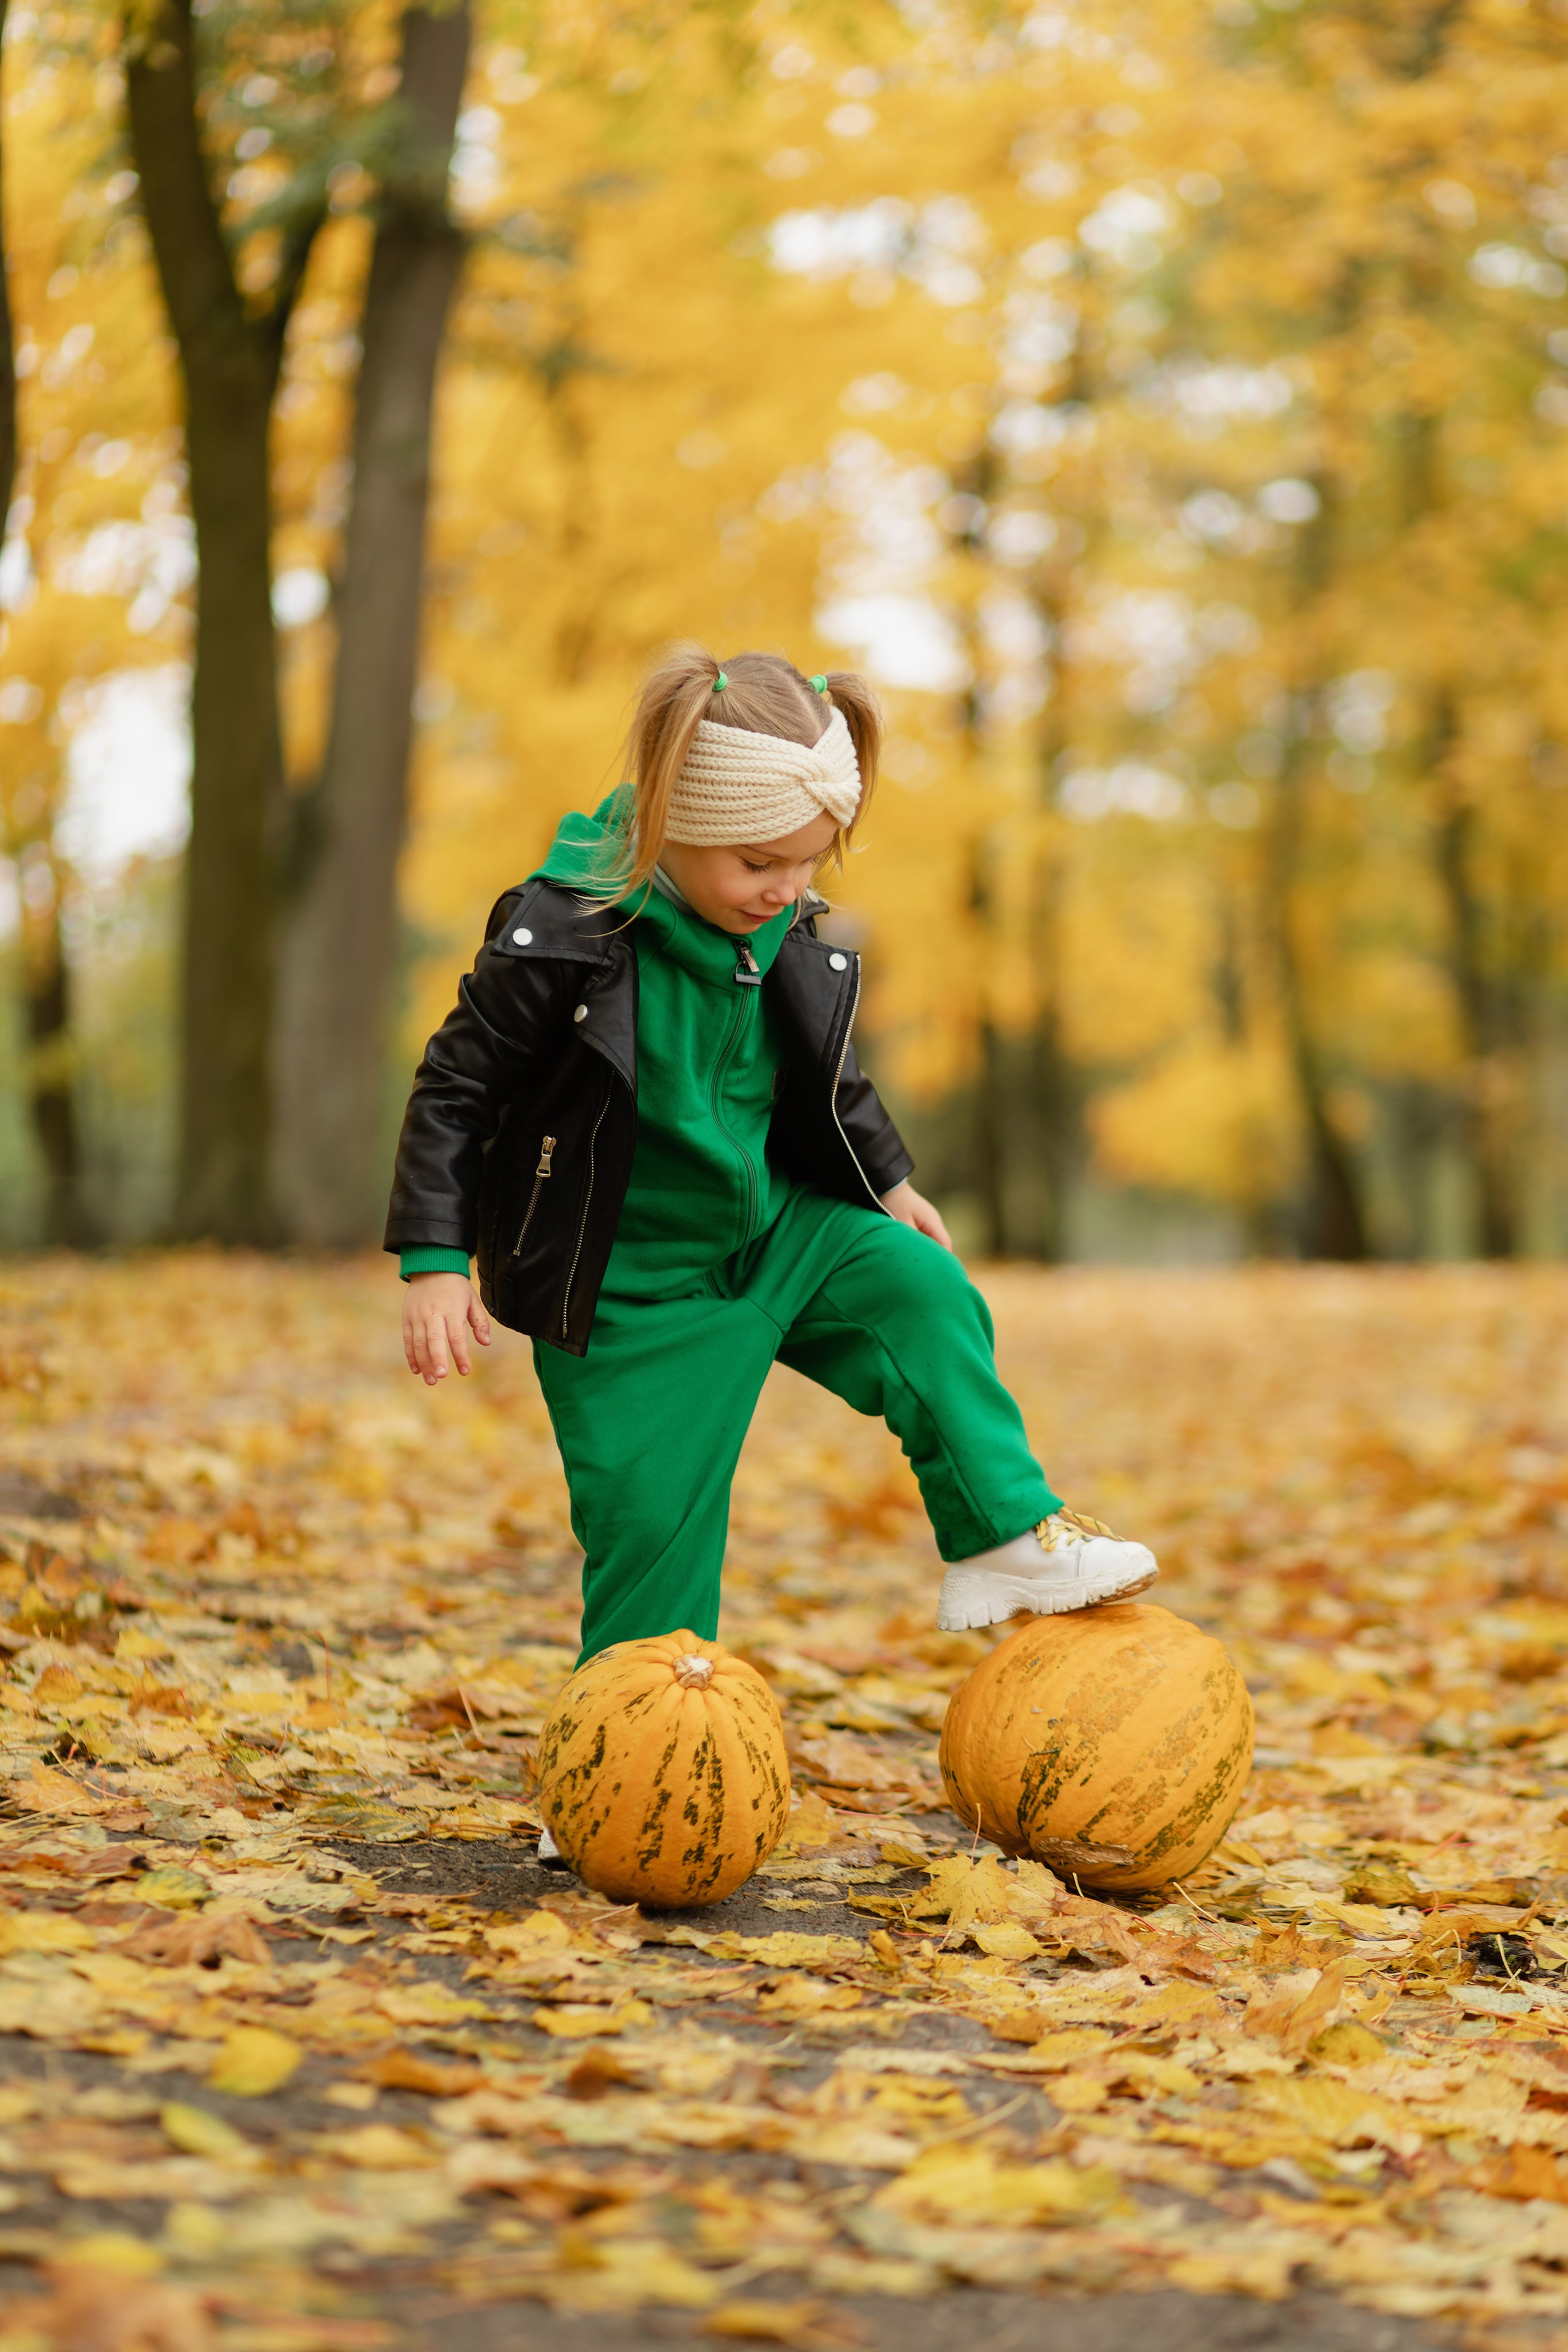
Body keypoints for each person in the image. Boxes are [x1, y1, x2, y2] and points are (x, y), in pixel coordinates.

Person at [386, 646, 1158, 1670]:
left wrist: (889, 1179)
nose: (788, 889)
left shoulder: (784, 928)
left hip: (773, 1238)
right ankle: (621, 1774)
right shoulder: (564, 934)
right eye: (760, 864)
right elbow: (455, 1089)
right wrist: (435, 1259)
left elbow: (827, 1072)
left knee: (920, 1287)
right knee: (650, 1548)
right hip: (629, 1301)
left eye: (811, 863)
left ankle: (1003, 1535)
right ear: (675, 820)